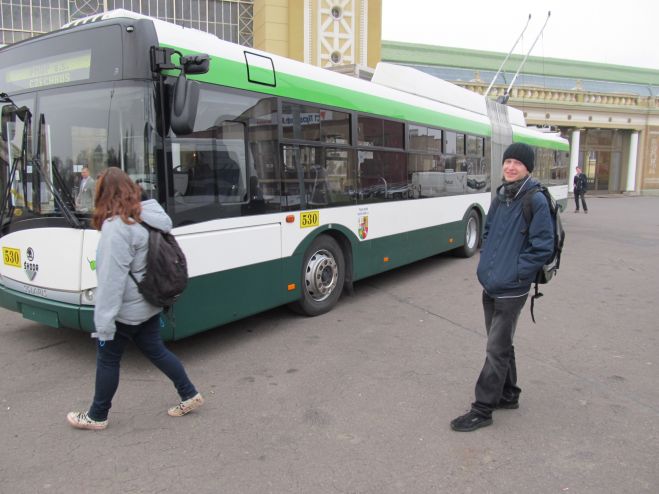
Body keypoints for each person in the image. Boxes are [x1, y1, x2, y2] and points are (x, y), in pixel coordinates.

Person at [67, 167, 203, 430]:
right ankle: (189, 393)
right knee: (157, 351)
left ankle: (97, 416)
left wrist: (104, 324)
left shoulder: (117, 227)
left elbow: (110, 282)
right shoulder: (148, 216)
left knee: (108, 358)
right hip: (149, 302)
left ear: (103, 194)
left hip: (126, 312)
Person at [450, 142, 554, 432]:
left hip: (512, 288)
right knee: (502, 343)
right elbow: (488, 230)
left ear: (527, 168)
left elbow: (542, 247)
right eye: (507, 161)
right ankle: (509, 394)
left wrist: (516, 272)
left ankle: (482, 409)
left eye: (517, 163)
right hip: (492, 283)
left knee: (495, 348)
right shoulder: (501, 196)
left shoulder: (535, 200)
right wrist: (487, 264)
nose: (510, 166)